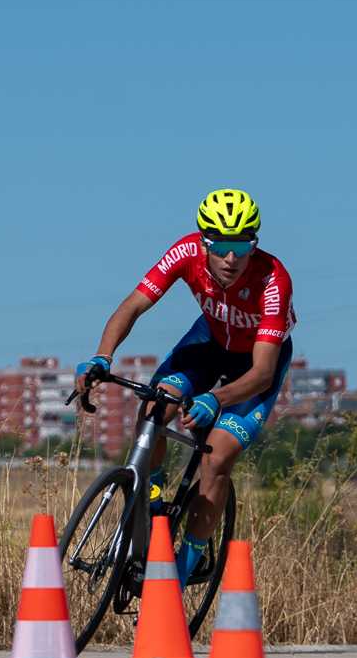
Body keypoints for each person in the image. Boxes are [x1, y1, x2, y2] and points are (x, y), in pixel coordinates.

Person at [74, 188, 294, 583]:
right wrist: (102, 357)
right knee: (155, 408)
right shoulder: (184, 252)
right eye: (222, 245)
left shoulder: (273, 279)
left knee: (217, 456)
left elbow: (262, 373)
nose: (232, 257)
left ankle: (187, 561)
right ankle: (153, 496)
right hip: (209, 341)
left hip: (256, 360)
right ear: (204, 241)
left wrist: (215, 397)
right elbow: (133, 306)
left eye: (242, 245)